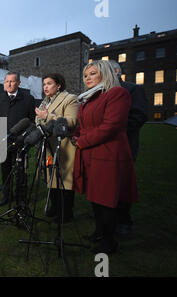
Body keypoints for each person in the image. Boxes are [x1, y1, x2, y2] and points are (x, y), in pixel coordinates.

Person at [72, 60, 138, 254]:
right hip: (91, 155)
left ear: (106, 73)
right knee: (95, 198)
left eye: (92, 73)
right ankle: (99, 232)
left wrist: (82, 141)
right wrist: (75, 135)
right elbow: (83, 126)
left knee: (106, 200)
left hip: (108, 155)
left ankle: (109, 241)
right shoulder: (89, 99)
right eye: (85, 75)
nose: (88, 78)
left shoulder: (117, 94)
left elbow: (111, 126)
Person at [108, 60, 148, 235]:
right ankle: (107, 221)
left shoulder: (132, 89)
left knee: (122, 184)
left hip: (124, 145)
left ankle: (124, 221)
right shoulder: (103, 93)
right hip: (104, 147)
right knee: (107, 185)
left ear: (116, 71)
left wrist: (114, 129)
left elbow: (139, 116)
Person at [35, 73, 79, 223]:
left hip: (64, 146)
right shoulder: (45, 102)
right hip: (48, 145)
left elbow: (72, 121)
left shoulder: (70, 99)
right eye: (44, 84)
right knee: (51, 178)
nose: (45, 87)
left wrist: (48, 116)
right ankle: (55, 207)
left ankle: (66, 213)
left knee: (64, 180)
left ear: (58, 85)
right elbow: (39, 119)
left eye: (49, 83)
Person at [0, 71, 36, 206]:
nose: (9, 84)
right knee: (5, 170)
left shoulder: (28, 99)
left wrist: (24, 138)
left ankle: (21, 198)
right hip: (4, 143)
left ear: (18, 83)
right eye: (6, 81)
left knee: (21, 171)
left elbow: (31, 121)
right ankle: (7, 195)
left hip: (21, 142)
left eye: (12, 81)